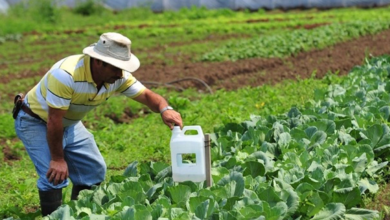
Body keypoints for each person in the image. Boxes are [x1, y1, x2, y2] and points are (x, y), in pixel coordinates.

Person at [13, 32, 183, 216]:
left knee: (93, 170)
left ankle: (79, 214)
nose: (120, 74)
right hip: (36, 121)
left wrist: (165, 109)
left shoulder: (118, 77)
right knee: (53, 176)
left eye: (122, 68)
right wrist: (58, 159)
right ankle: (53, 217)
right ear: (98, 61)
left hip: (69, 123)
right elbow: (54, 120)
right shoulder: (66, 75)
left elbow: (147, 96)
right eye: (116, 68)